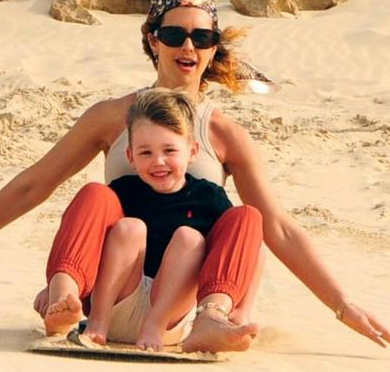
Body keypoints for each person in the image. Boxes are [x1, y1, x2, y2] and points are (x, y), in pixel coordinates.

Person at [0, 0, 390, 354]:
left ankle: (213, 319)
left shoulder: (222, 133)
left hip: (174, 303)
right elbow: (34, 184)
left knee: (246, 218)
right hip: (110, 287)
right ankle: (63, 300)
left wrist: (341, 305)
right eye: (174, 34)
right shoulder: (111, 117)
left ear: (213, 48)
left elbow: (279, 228)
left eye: (202, 39)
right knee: (97, 197)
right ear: (152, 39)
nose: (188, 48)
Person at [64, 88, 256, 350]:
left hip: (169, 318)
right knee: (129, 228)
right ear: (130, 157)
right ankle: (97, 323)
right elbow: (89, 237)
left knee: (192, 237)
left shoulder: (208, 197)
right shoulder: (123, 191)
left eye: (169, 150)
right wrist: (61, 284)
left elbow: (246, 248)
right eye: (145, 153)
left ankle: (154, 325)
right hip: (118, 304)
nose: (159, 162)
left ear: (192, 152)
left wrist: (242, 309)